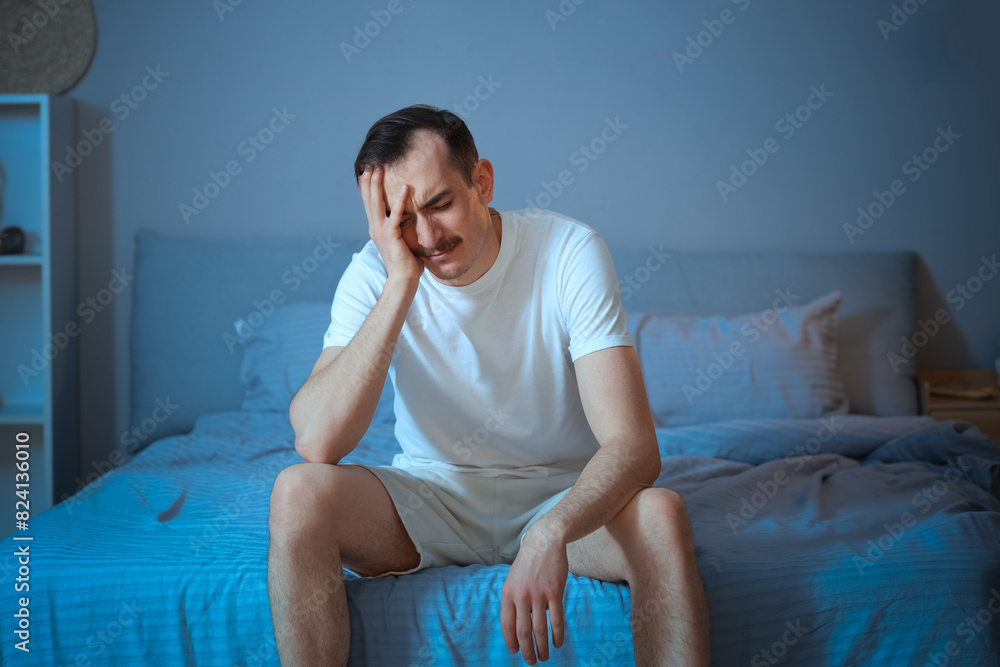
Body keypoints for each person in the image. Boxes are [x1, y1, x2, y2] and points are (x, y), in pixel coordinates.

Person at [267, 104, 711, 666]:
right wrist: (401, 281)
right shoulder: (378, 271)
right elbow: (317, 442)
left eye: (439, 204)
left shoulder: (569, 252)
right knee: (296, 492)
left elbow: (635, 447)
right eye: (400, 218)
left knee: (663, 515)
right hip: (434, 499)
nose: (426, 236)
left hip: (561, 497)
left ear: (482, 181)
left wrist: (550, 530)